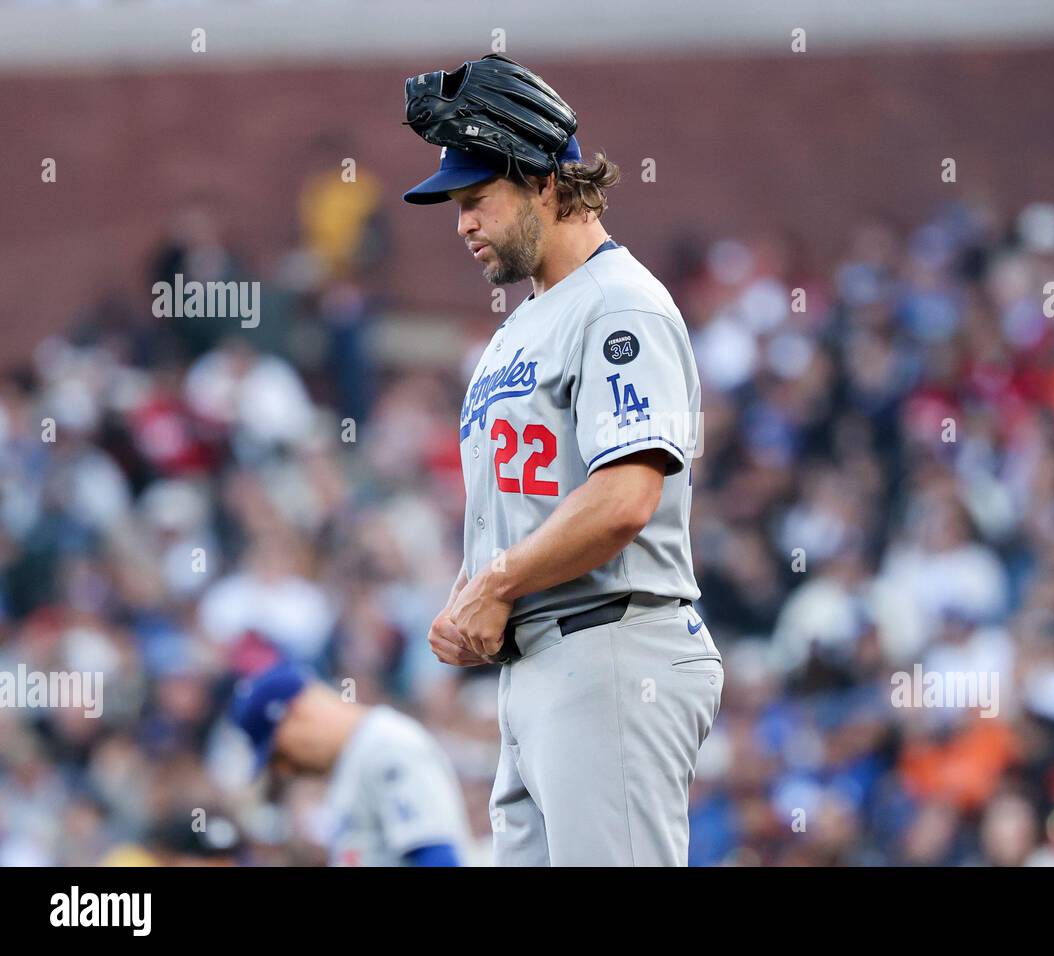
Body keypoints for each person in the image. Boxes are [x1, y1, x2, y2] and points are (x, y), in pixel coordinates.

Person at [402, 54, 723, 866]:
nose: (463, 222)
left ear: (545, 181)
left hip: (612, 646)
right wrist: (473, 592)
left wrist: (499, 583)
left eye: (477, 199)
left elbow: (624, 500)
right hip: (542, 662)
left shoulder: (619, 302)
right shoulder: (523, 323)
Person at [229, 661, 472, 866]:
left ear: (297, 714)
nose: (285, 768)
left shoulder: (386, 745)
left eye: (280, 754)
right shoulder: (355, 757)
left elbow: (436, 853)